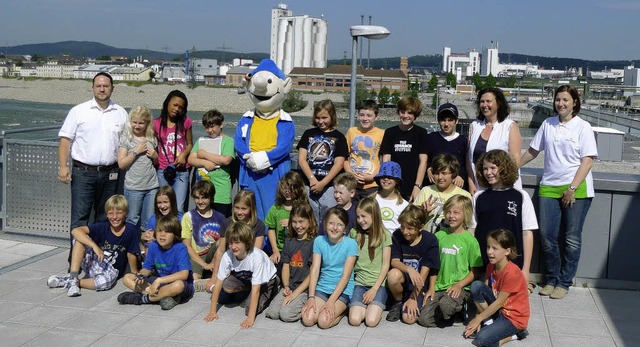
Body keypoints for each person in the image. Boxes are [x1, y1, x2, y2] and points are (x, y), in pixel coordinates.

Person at [520, 85, 598, 300]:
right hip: (549, 186)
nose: (561, 104)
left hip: (577, 188)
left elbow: (588, 160)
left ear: (574, 102)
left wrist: (571, 188)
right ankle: (551, 278)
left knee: (571, 238)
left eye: (565, 100)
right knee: (547, 236)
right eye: (558, 100)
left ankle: (564, 281)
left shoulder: (583, 127)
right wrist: (514, 165)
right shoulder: (548, 124)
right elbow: (534, 150)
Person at [58, 72, 128, 261]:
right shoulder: (79, 111)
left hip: (111, 173)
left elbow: (128, 142)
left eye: (106, 86)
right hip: (83, 173)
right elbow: (65, 139)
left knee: (106, 219)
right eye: (99, 86)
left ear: (112, 88)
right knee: (80, 219)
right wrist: (63, 167)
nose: (102, 89)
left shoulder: (121, 113)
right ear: (92, 87)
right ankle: (75, 262)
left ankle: (98, 260)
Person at [47, 195, 139, 297]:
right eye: (111, 213)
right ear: (107, 215)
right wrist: (94, 246)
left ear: (126, 214)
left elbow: (131, 253)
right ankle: (73, 276)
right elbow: (75, 231)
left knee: (106, 282)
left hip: (111, 270)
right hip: (95, 261)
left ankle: (73, 282)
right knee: (80, 239)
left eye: (119, 213)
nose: (114, 217)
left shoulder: (131, 230)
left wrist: (135, 272)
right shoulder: (103, 226)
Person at [471, 150, 537, 287]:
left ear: (504, 168)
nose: (488, 173)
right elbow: (472, 230)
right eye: (485, 169)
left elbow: (527, 233)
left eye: (493, 168)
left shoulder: (521, 196)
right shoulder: (479, 197)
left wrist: (525, 269)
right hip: (484, 263)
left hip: (513, 263)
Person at [419, 195, 483, 327]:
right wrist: (431, 288)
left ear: (465, 215)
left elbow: (475, 271)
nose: (451, 216)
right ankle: (447, 314)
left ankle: (458, 309)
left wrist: (459, 285)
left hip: (459, 287)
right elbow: (433, 266)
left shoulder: (470, 241)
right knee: (423, 320)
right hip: (439, 286)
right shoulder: (439, 236)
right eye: (448, 211)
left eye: (456, 212)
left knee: (446, 305)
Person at [204, 221, 279, 329]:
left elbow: (256, 290)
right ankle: (246, 291)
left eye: (237, 243)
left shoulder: (256, 257)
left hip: (266, 280)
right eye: (230, 243)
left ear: (247, 243)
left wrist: (250, 319)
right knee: (222, 295)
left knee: (249, 309)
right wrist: (212, 312)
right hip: (246, 278)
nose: (233, 247)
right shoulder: (227, 256)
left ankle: (274, 286)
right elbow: (218, 283)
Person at [464, 229, 530, 346]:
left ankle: (515, 335)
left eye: (494, 248)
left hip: (513, 318)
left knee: (481, 339)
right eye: (488, 247)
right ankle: (489, 321)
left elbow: (499, 302)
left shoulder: (512, 273)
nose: (489, 252)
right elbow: (484, 290)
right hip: (500, 310)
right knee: (476, 286)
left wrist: (478, 320)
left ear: (507, 251)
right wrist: (478, 317)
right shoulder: (491, 265)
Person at [117, 216, 194, 310]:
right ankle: (163, 296)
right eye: (159, 231)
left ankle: (142, 299)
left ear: (175, 235)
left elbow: (184, 274)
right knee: (127, 278)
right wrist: (142, 275)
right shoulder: (153, 245)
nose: (162, 234)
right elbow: (147, 268)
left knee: (178, 285)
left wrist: (159, 281)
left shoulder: (180, 248)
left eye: (167, 232)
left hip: (178, 284)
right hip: (160, 283)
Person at [301, 207, 358, 329]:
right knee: (308, 319)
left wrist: (331, 301)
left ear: (345, 227)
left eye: (339, 224)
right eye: (331, 223)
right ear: (325, 223)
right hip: (323, 287)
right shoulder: (319, 241)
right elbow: (315, 269)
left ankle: (342, 312)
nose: (334, 227)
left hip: (342, 290)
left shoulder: (351, 244)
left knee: (324, 322)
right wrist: (311, 297)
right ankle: (325, 307)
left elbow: (346, 276)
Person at [202, 190, 267, 292]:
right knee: (224, 297)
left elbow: (256, 253)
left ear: (251, 208)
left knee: (236, 295)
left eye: (244, 209)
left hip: (249, 269)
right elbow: (220, 251)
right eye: (237, 208)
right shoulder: (227, 223)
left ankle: (249, 287)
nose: (239, 212)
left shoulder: (258, 225)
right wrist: (214, 278)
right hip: (232, 267)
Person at [386, 205, 440, 324]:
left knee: (409, 319)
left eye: (410, 228)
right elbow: (394, 261)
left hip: (420, 284)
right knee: (393, 274)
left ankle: (411, 301)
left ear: (421, 227)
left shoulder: (430, 240)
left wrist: (413, 297)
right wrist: (409, 269)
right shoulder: (397, 235)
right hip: (404, 281)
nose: (405, 232)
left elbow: (425, 273)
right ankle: (398, 302)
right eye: (402, 227)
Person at [297, 99, 349, 223]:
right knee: (309, 219)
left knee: (329, 218)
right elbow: (301, 159)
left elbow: (339, 163)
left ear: (332, 116)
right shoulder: (308, 134)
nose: (320, 121)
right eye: (318, 118)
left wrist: (323, 183)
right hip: (309, 184)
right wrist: (312, 179)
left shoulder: (339, 137)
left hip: (330, 187)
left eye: (324, 118)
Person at [264, 203, 317, 322]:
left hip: (304, 289)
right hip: (290, 286)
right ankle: (290, 301)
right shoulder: (289, 241)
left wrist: (295, 294)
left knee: (286, 315)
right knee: (272, 313)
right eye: (294, 222)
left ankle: (303, 307)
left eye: (301, 221)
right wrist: (286, 286)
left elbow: (312, 273)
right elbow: (286, 266)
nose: (298, 226)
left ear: (310, 221)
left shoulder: (314, 242)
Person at [467, 87, 522, 194]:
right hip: (479, 186)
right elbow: (468, 158)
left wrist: (501, 182)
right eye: (482, 102)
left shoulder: (509, 126)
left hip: (503, 187)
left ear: (498, 103)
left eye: (489, 101)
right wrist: (471, 181)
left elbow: (515, 160)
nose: (484, 105)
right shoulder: (474, 126)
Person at [348, 197, 392, 327]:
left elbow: (385, 265)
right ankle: (363, 306)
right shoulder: (354, 233)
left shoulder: (384, 235)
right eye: (358, 217)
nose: (360, 220)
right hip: (359, 283)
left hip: (378, 285)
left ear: (374, 215)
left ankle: (375, 305)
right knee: (355, 320)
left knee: (371, 321)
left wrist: (374, 289)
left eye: (364, 216)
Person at [117, 105, 159, 231]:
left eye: (141, 123)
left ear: (147, 123)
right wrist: (135, 152)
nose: (137, 126)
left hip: (151, 185)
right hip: (134, 187)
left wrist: (155, 156)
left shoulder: (151, 138)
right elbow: (121, 164)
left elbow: (156, 163)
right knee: (132, 220)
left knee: (149, 221)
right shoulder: (127, 138)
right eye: (134, 122)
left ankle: (146, 249)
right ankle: (131, 249)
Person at [380, 96, 429, 202]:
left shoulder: (421, 133)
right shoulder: (390, 132)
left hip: (412, 186)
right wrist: (387, 183)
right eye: (403, 112)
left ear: (415, 115)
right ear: (398, 112)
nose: (406, 116)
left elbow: (423, 161)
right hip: (393, 185)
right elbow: (386, 160)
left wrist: (417, 186)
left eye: (410, 113)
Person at [188, 109, 235, 217]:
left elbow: (226, 160)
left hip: (221, 193)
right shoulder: (201, 140)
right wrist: (204, 163)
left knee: (222, 224)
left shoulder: (228, 141)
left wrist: (204, 154)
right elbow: (191, 159)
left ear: (221, 124)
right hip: (203, 193)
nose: (210, 130)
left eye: (213, 126)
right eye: (207, 127)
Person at [154, 90, 193, 213]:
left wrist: (184, 155)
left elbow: (190, 144)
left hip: (181, 171)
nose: (177, 109)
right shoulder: (156, 123)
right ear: (167, 103)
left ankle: (178, 231)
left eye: (181, 107)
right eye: (175, 105)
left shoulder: (186, 122)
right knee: (164, 207)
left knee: (179, 208)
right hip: (163, 170)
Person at [414, 153, 472, 234]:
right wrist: (423, 212)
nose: (440, 177)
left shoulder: (464, 195)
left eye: (444, 173)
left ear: (453, 174)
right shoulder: (426, 190)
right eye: (436, 173)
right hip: (428, 239)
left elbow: (469, 224)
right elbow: (412, 218)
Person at [181, 181, 225, 281]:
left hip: (214, 254)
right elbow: (186, 245)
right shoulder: (188, 217)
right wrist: (204, 264)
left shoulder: (220, 217)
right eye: (197, 198)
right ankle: (204, 273)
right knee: (194, 279)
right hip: (196, 255)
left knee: (221, 241)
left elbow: (222, 245)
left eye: (204, 197)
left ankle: (213, 273)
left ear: (211, 198)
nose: (200, 202)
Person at [344, 100, 385, 202]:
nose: (365, 118)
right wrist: (350, 174)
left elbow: (384, 160)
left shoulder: (382, 134)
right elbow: (344, 157)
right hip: (352, 184)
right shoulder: (351, 132)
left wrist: (372, 177)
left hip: (371, 186)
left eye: (369, 115)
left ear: (376, 117)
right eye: (362, 115)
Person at [266, 171, 307, 265]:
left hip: (299, 249)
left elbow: (310, 227)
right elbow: (271, 229)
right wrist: (275, 250)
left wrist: (291, 223)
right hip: (280, 250)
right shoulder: (276, 208)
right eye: (284, 188)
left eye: (291, 188)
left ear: (298, 188)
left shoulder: (302, 208)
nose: (287, 191)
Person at [426, 103, 469, 190]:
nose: (446, 124)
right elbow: (426, 159)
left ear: (456, 121)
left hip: (455, 185)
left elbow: (466, 163)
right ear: (438, 121)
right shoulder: (431, 138)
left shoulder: (463, 140)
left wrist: (461, 175)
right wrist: (428, 169)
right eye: (443, 120)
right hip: (435, 184)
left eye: (450, 120)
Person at [142, 186, 184, 260]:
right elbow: (147, 241)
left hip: (175, 254)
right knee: (150, 245)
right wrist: (144, 237)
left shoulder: (181, 219)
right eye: (159, 203)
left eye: (165, 202)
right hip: (157, 254)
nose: (162, 206)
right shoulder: (153, 219)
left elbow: (184, 241)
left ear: (172, 202)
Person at [374, 161, 409, 234]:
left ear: (397, 181)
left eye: (390, 177)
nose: (386, 179)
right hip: (375, 240)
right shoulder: (372, 199)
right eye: (383, 176)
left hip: (395, 242)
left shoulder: (404, 205)